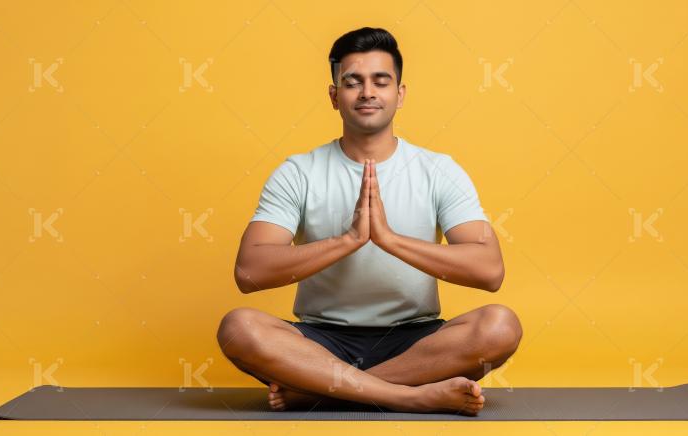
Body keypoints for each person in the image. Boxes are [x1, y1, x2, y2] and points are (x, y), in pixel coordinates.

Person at [217, 27, 522, 416]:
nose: (367, 92)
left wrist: (389, 239)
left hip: (415, 342)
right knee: (238, 329)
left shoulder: (438, 170)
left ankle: (324, 392)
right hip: (318, 341)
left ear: (400, 94)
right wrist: (348, 240)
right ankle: (408, 396)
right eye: (352, 82)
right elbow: (249, 273)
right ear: (334, 96)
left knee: (500, 325)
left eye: (381, 81)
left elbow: (489, 270)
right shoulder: (298, 171)